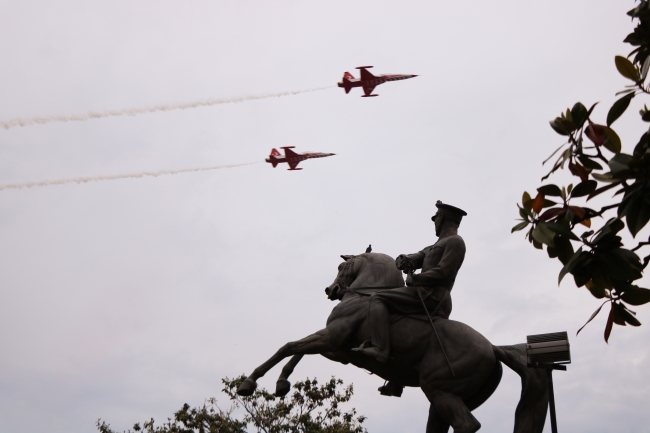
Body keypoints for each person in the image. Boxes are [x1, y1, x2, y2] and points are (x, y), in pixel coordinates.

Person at [353, 201, 467, 365]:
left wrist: (416, 278)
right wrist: (404, 260)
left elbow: (444, 272)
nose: (434, 223)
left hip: (433, 295)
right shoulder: (432, 247)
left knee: (378, 299)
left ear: (441, 219)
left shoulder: (455, 242)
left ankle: (380, 349)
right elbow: (413, 257)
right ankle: (396, 377)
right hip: (422, 293)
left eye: (435, 219)